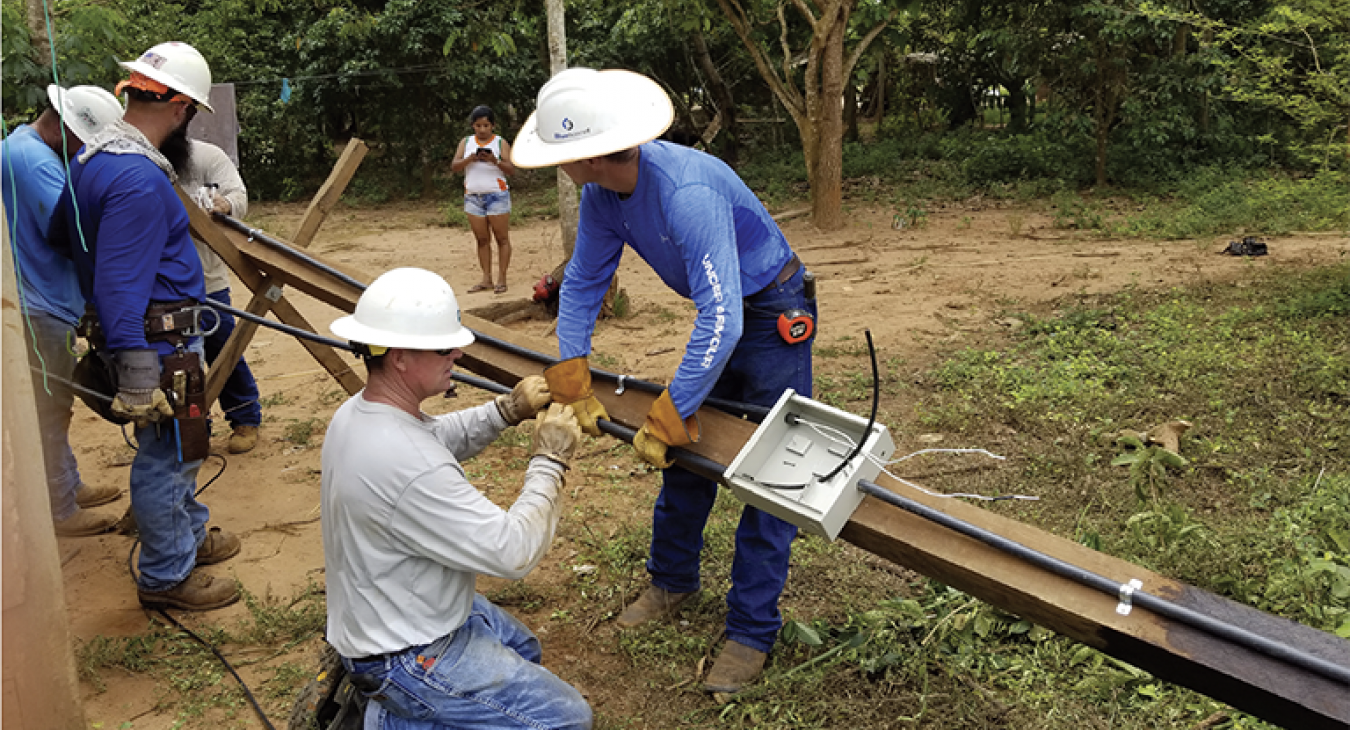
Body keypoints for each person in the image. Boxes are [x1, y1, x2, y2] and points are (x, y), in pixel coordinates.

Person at [512, 67, 817, 695]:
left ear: (588, 156)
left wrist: (670, 410)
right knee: (687, 453)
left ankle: (752, 631)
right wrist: (572, 378)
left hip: (770, 311)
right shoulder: (603, 195)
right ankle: (672, 579)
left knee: (770, 472)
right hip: (727, 315)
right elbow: (584, 284)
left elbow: (725, 318)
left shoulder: (685, 191)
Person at [321, 267, 592, 730]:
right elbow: (512, 551)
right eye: (444, 347)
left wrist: (506, 410)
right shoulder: (406, 462)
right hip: (405, 653)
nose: (458, 353)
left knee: (523, 649)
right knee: (565, 719)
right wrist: (549, 460)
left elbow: (435, 436)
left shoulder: (361, 414)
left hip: (395, 608)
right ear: (401, 357)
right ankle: (389, 714)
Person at [56, 41, 242, 611]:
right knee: (168, 453)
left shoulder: (92, 159)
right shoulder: (136, 177)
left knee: (179, 446)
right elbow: (118, 283)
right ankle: (166, 576)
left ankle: (186, 537)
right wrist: (138, 367)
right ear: (183, 109)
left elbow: (62, 235)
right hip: (159, 344)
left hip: (160, 337)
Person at [2, 84, 126, 537]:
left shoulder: (22, 147)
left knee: (55, 402)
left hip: (43, 297)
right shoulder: (32, 160)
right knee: (49, 407)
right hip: (38, 306)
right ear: (67, 129)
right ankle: (59, 508)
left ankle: (67, 486)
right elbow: (75, 233)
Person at [181, 138, 262, 454]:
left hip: (208, 277)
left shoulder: (206, 155)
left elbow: (238, 196)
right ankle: (194, 427)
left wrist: (225, 205)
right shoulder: (141, 161)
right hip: (160, 283)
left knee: (222, 346)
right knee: (178, 359)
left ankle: (245, 416)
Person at [449, 105, 515, 294]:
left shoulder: (501, 143)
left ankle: (502, 278)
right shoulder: (466, 142)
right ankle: (486, 278)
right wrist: (470, 158)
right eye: (478, 125)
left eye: (486, 125)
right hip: (473, 196)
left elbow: (511, 169)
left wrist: (494, 161)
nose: (482, 129)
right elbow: (454, 166)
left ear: (493, 125)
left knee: (502, 238)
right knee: (481, 239)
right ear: (473, 126)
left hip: (497, 195)